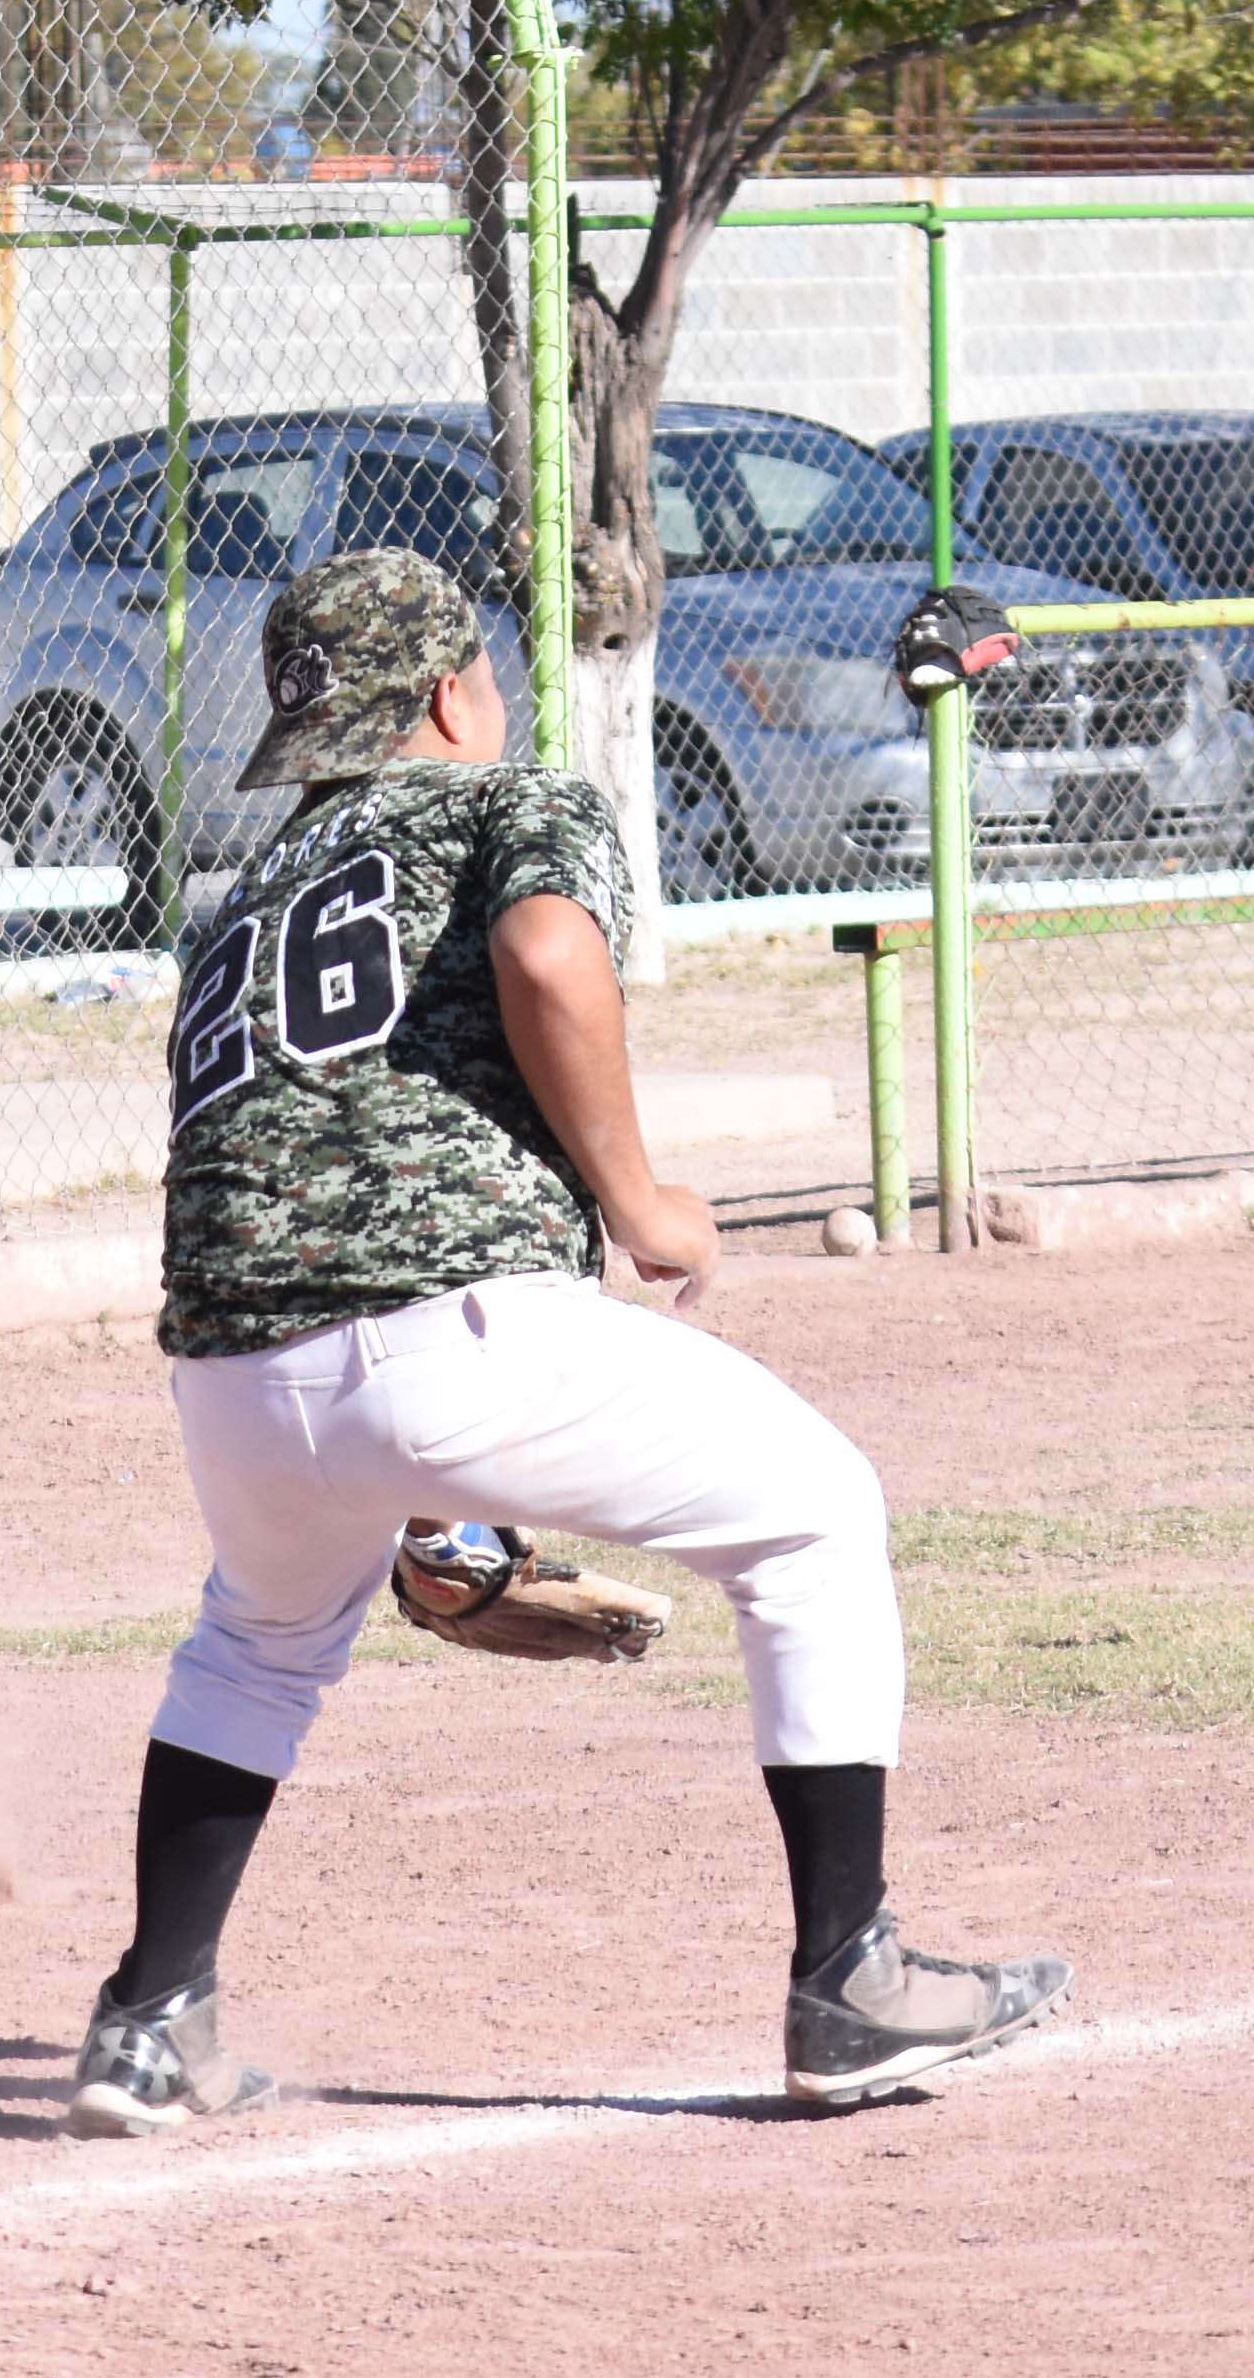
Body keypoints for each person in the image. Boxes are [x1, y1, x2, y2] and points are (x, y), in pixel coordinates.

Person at [59, 551, 1070, 2136]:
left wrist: (422, 1496)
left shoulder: (243, 895)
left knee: (256, 1647)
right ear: (458, 693)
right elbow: (544, 955)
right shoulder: (503, 799)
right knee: (817, 1514)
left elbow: (303, 1167)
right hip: (450, 1328)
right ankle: (849, 1975)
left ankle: (147, 2018)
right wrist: (637, 1195)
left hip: (231, 1380)